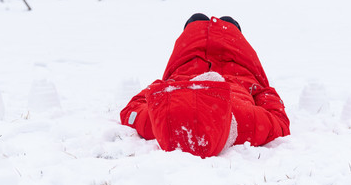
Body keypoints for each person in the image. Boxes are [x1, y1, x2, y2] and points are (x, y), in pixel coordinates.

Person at [120, 13, 290, 158]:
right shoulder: (163, 122)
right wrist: (162, 85)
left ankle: (225, 28)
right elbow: (132, 111)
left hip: (230, 65)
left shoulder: (244, 122)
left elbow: (278, 120)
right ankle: (209, 27)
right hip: (197, 65)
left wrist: (261, 90)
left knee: (218, 23)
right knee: (199, 21)